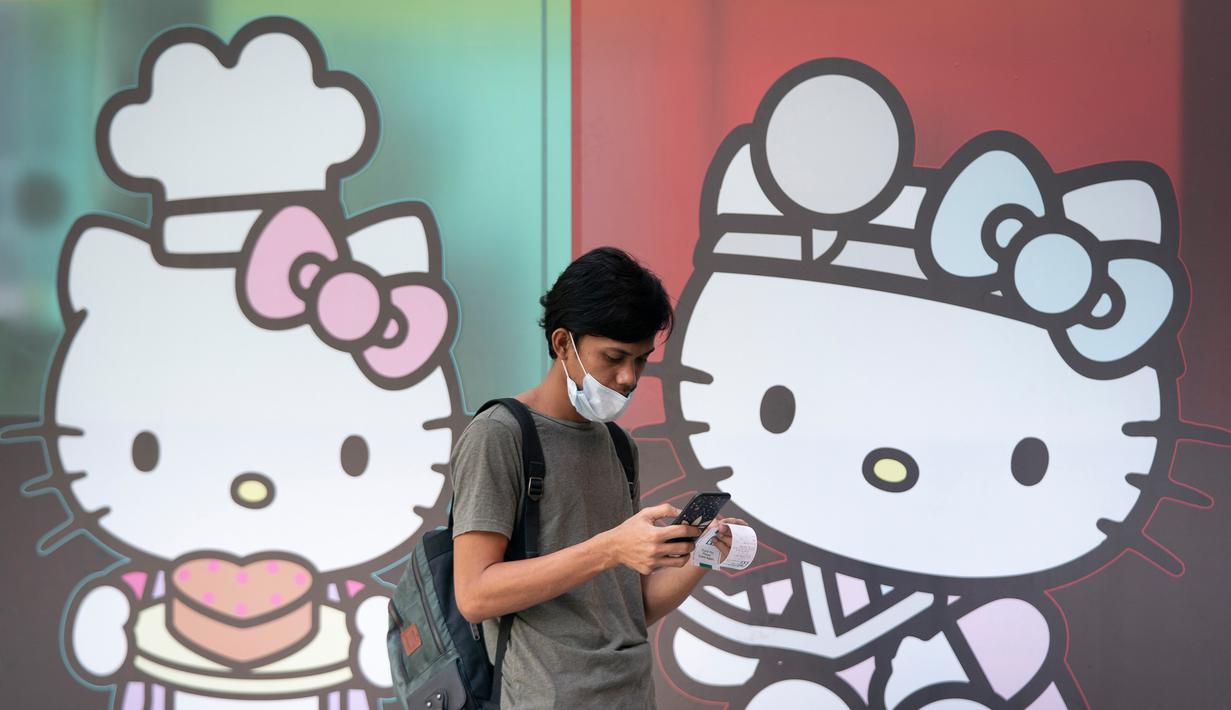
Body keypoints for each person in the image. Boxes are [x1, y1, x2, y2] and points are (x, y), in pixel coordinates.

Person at [450, 247, 746, 708]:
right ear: (563, 343)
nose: (629, 377)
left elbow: (629, 609)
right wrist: (611, 548)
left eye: (641, 360)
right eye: (614, 357)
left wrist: (702, 556)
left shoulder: (620, 445)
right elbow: (474, 594)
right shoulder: (499, 435)